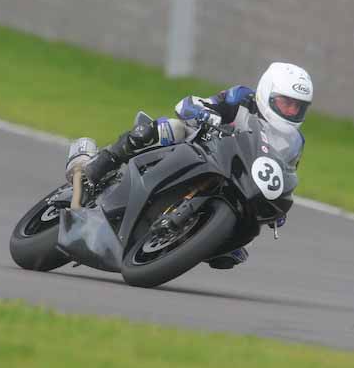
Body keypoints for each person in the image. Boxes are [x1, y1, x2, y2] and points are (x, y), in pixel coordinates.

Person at [66, 62, 313, 269]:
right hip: (203, 147)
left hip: (237, 179)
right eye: (286, 102)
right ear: (267, 93)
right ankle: (103, 161)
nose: (291, 110)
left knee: (235, 250)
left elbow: (282, 173)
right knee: (168, 128)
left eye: (298, 107)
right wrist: (204, 112)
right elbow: (190, 104)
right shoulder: (241, 98)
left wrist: (277, 207)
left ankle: (196, 238)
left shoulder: (294, 142)